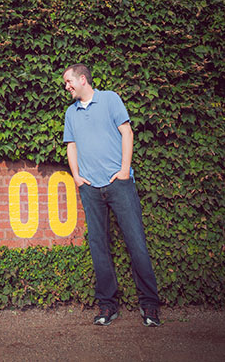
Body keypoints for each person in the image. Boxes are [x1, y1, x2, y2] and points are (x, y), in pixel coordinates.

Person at [62, 64, 161, 327]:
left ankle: (149, 305)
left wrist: (124, 170)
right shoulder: (70, 113)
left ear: (83, 79)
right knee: (99, 247)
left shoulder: (110, 99)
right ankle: (107, 305)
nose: (67, 86)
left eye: (69, 81)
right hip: (90, 188)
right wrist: (77, 176)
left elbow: (126, 132)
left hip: (119, 184)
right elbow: (71, 145)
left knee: (136, 242)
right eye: (65, 83)